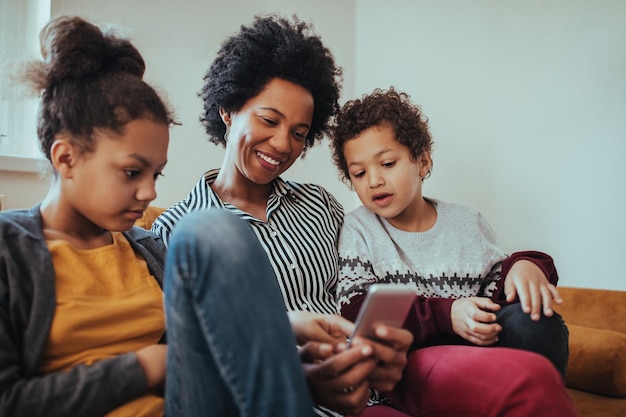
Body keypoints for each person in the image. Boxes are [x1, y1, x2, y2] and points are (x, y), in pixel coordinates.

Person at [153, 13, 578, 417]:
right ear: (228, 110)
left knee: (532, 378)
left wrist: (525, 263)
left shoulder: (320, 207)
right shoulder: (173, 233)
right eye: (269, 120)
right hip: (289, 395)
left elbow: (391, 270)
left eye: (300, 134)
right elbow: (184, 357)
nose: (283, 144)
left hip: (377, 383)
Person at [0, 15, 376, 417]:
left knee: (210, 229)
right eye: (132, 172)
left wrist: (296, 351)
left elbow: (209, 357)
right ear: (65, 157)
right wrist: (148, 365)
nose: (150, 192)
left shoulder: (149, 251)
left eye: (155, 173)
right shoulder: (13, 249)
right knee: (207, 227)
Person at [330, 87, 576, 416]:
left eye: (387, 163)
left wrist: (528, 264)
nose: (373, 180)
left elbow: (498, 293)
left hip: (477, 351)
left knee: (533, 319)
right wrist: (448, 315)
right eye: (358, 173)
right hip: (406, 365)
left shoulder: (466, 221)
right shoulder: (360, 229)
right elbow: (357, 312)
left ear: (423, 161)